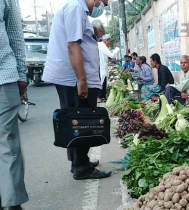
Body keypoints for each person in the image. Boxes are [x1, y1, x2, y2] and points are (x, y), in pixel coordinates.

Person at [42, 0, 112, 180]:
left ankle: (79, 161)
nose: (105, 3)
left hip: (74, 76)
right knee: (82, 120)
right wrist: (82, 80)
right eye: (104, 0)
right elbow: (73, 46)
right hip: (74, 77)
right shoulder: (75, 8)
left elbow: (79, 44)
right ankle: (81, 167)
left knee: (75, 118)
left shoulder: (78, 10)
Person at [0, 1, 29, 209]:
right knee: (7, 145)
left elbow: (15, 33)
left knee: (7, 144)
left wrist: (20, 72)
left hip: (3, 76)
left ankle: (11, 204)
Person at [97, 34, 118, 103]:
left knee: (102, 80)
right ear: (106, 40)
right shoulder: (102, 46)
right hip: (101, 66)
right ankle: (99, 97)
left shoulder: (99, 45)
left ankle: (100, 97)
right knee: (102, 81)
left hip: (99, 66)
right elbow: (111, 55)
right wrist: (117, 48)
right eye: (110, 41)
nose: (110, 43)